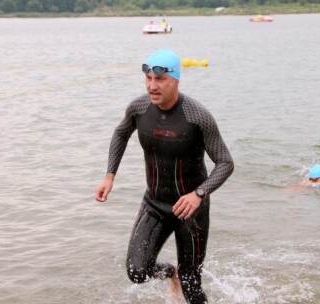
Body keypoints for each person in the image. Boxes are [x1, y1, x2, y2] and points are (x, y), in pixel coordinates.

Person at [95, 49, 234, 303]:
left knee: (192, 286)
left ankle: (184, 276)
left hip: (190, 209)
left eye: (160, 79)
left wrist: (199, 194)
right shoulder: (139, 108)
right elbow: (120, 134)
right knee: (137, 272)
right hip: (155, 204)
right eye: (148, 78)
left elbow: (225, 163)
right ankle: (171, 272)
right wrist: (109, 176)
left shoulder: (197, 116)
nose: (152, 86)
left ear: (176, 80)